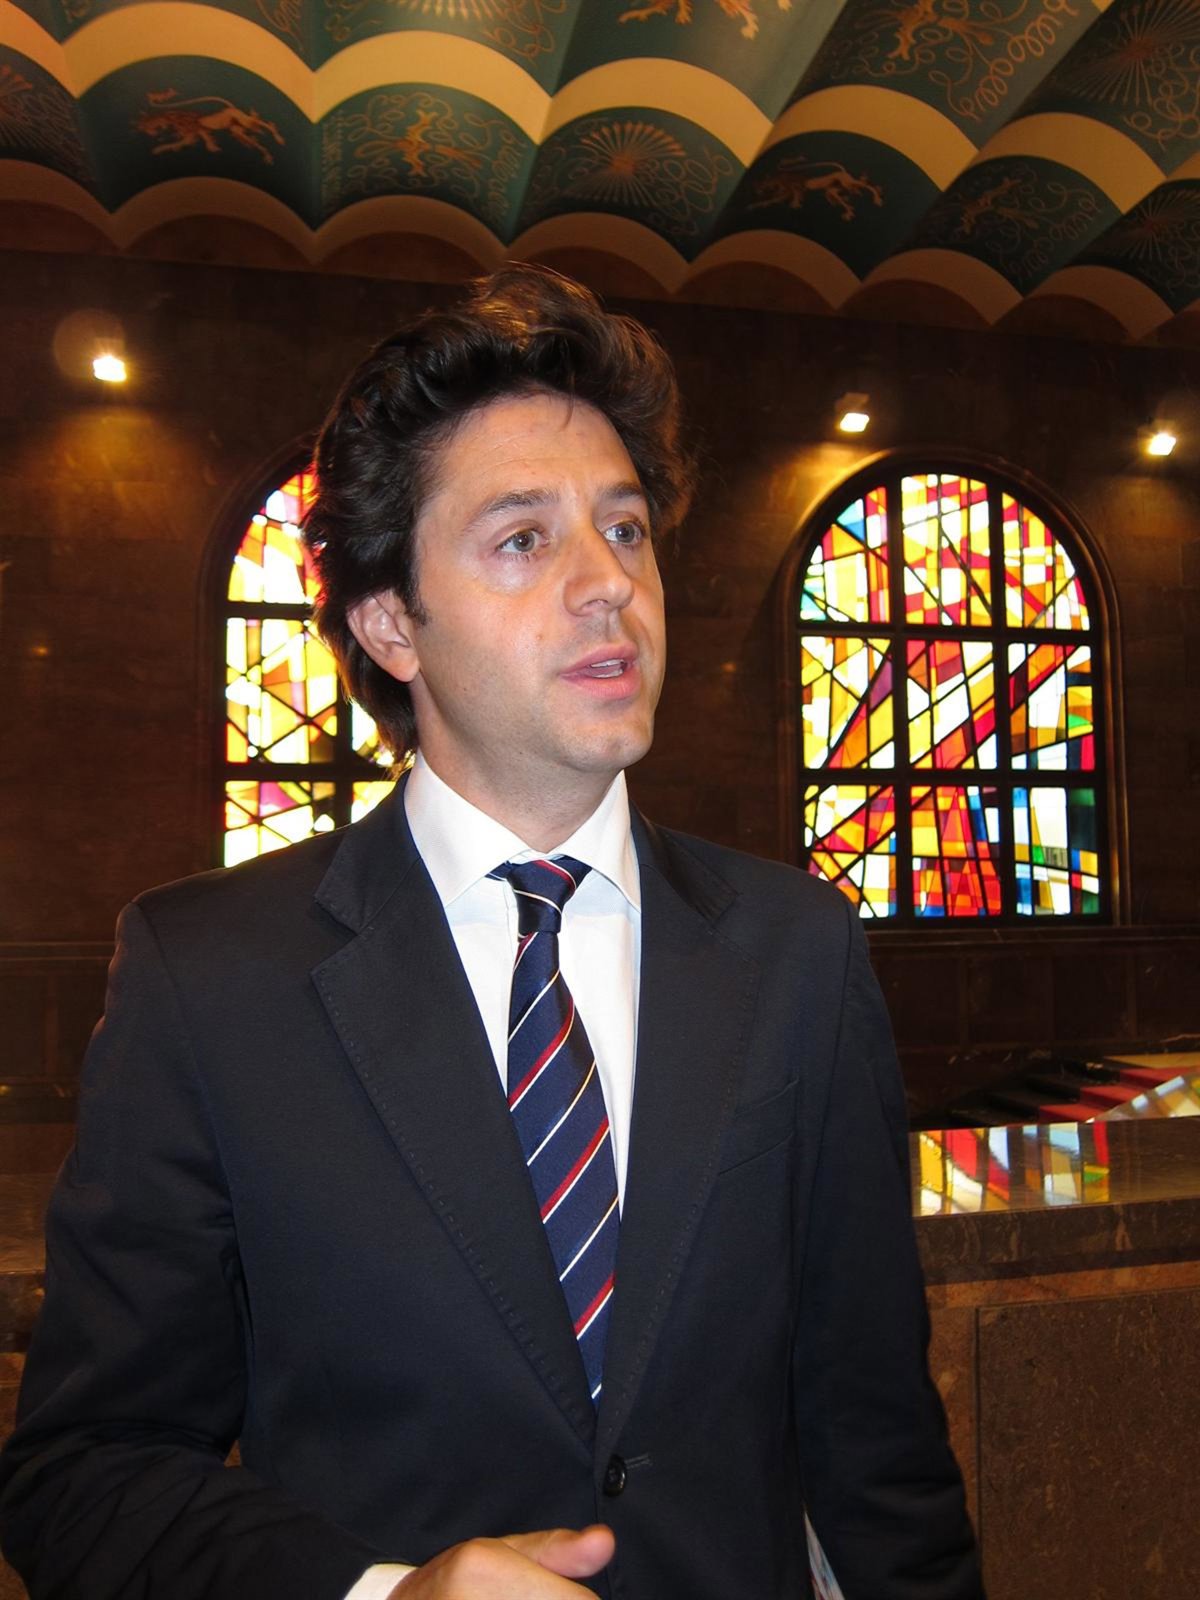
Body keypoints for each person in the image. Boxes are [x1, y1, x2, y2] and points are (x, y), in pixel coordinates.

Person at [0, 266, 983, 1599]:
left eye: (625, 529)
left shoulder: (798, 947)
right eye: (523, 539)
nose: (608, 584)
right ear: (391, 624)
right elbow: (87, 1473)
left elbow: (882, 1448)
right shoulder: (212, 977)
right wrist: (382, 1593)